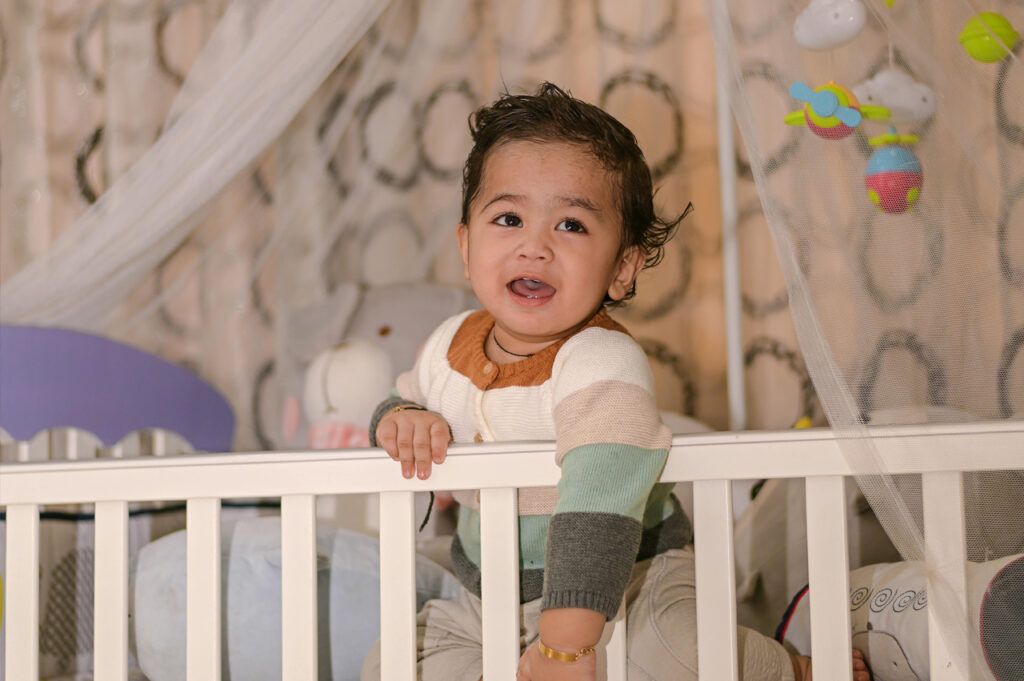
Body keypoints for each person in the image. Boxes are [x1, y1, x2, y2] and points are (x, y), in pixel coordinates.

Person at [361, 82, 868, 681]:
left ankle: (791, 668)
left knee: (678, 654)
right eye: (509, 217)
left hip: (633, 578)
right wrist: (399, 418)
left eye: (572, 225)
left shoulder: (601, 361)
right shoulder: (447, 344)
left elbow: (597, 506)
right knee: (395, 662)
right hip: (488, 597)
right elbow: (403, 398)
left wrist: (566, 649)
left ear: (622, 268)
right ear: (466, 247)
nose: (535, 246)